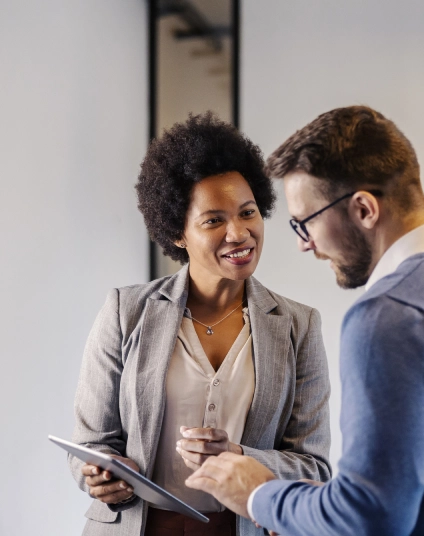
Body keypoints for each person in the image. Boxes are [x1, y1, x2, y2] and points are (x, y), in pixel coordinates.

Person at [184, 105, 424, 535]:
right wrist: (318, 502)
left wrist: (260, 494)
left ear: (364, 209)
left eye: (305, 223)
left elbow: (369, 520)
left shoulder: (390, 315)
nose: (304, 245)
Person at [69, 113, 332, 535]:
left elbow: (314, 468)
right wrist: (99, 475)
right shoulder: (126, 311)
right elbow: (89, 445)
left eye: (248, 213)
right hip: (138, 526)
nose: (239, 233)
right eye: (214, 220)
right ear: (177, 232)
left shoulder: (299, 325)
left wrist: (239, 455)